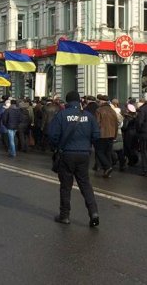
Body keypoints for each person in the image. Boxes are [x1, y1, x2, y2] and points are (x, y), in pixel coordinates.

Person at [47, 90, 100, 227]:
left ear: (68, 101)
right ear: (79, 101)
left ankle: (64, 216)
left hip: (67, 154)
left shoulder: (62, 115)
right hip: (84, 154)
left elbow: (52, 135)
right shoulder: (88, 116)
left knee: (66, 186)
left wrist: (56, 147)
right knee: (85, 184)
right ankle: (94, 212)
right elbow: (96, 135)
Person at [94, 94, 118, 178]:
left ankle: (107, 167)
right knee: (108, 152)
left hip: (102, 135)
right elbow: (116, 124)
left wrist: (94, 134)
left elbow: (97, 123)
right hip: (111, 135)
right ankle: (107, 171)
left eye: (99, 101)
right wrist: (115, 135)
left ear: (102, 101)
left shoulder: (99, 110)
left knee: (99, 152)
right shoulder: (113, 111)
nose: (98, 102)